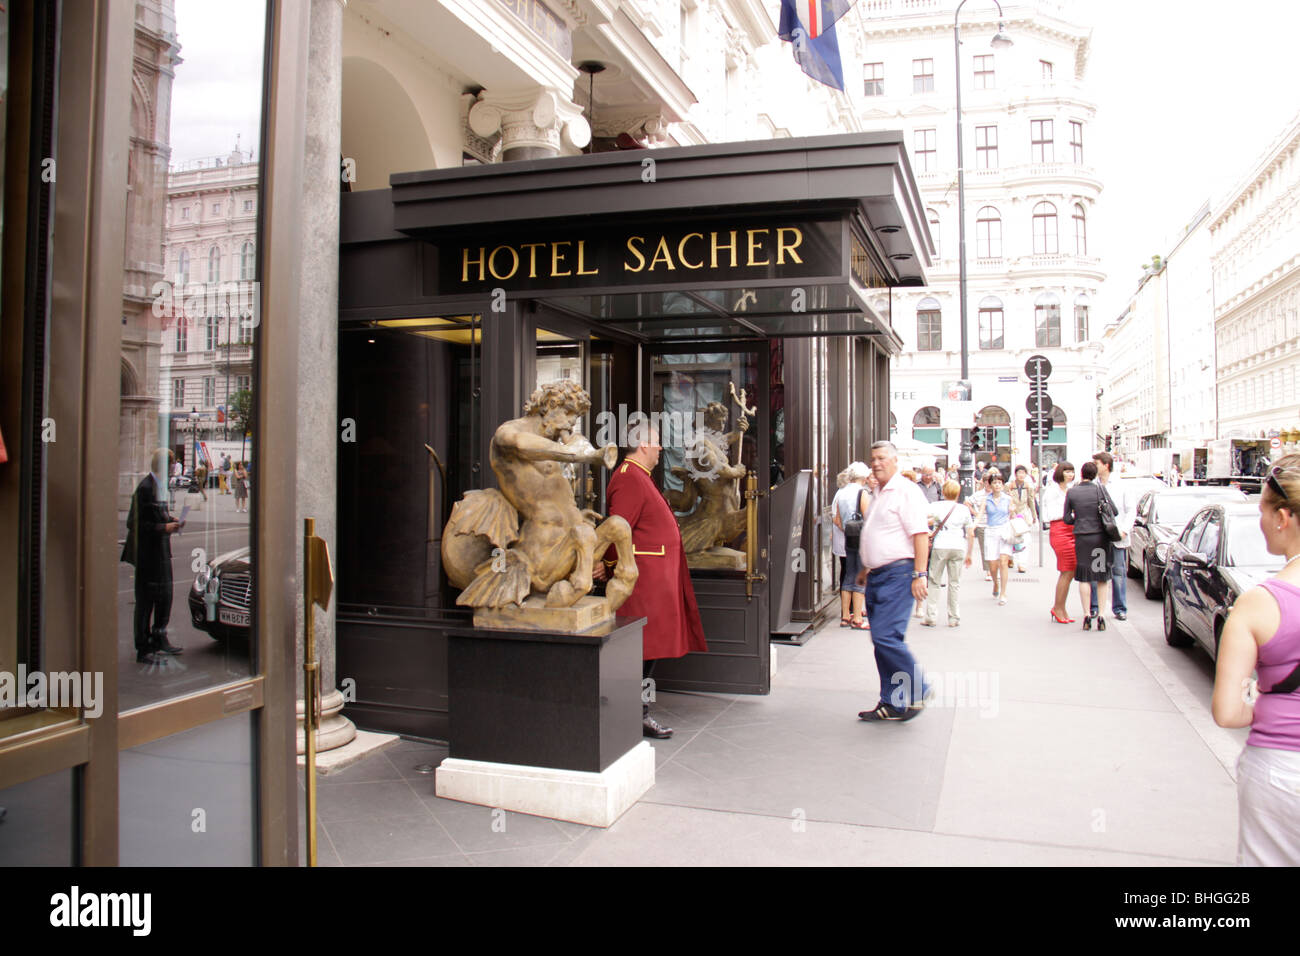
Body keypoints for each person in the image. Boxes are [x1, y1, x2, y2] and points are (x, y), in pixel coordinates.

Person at [1212, 454, 1300, 865]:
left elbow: (1228, 713)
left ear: (1283, 517)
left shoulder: (1259, 604)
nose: (1260, 518)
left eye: (1262, 508)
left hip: (1281, 771)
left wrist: (1264, 706)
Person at [597, 420, 707, 739]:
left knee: (648, 651)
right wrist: (607, 562)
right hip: (643, 583)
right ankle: (638, 714)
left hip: (653, 581)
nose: (660, 448)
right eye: (657, 443)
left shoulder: (638, 477)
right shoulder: (630, 478)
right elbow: (619, 528)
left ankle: (639, 711)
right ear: (644, 444)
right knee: (642, 651)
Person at [855, 441, 931, 722]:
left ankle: (918, 688)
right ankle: (893, 702)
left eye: (882, 458)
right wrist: (866, 568)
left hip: (898, 574)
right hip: (879, 575)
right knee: (882, 641)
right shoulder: (878, 492)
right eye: (873, 458)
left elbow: (919, 534)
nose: (876, 462)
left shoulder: (905, 491)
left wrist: (919, 574)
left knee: (886, 637)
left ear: (895, 461)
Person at [121, 448, 186, 663]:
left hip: (160, 552)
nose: (172, 469)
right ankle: (144, 647)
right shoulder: (145, 488)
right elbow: (134, 523)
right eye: (170, 465)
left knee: (164, 597)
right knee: (146, 602)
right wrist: (164, 527)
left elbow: (157, 514)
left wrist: (172, 520)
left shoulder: (159, 487)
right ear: (162, 466)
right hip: (148, 555)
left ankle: (159, 638)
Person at [1062, 460, 1115, 630]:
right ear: (1094, 475)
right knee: (1101, 577)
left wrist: (1080, 519)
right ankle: (1101, 615)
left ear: (1081, 474)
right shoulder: (1100, 490)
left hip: (1082, 538)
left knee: (1084, 576)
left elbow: (1067, 518)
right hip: (1099, 538)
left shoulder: (1072, 492)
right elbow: (1113, 511)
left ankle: (1086, 614)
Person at [922, 479, 975, 628]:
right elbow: (970, 532)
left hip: (941, 545)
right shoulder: (963, 509)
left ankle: (931, 616)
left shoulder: (936, 506)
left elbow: (920, 518)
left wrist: (930, 529)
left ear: (943, 492)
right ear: (958, 493)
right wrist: (969, 553)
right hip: (958, 545)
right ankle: (954, 617)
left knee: (934, 581)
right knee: (954, 583)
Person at [1089, 451, 1133, 621]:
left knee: (1118, 573)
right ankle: (1094, 607)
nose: (1094, 467)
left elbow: (1131, 510)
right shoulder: (1093, 484)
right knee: (1096, 572)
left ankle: (1120, 608)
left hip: (1116, 535)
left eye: (1097, 463)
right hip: (1098, 536)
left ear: (1106, 465)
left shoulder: (1122, 485)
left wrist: (1124, 530)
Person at [832, 462, 871, 630]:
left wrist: (847, 529)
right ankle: (857, 618)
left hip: (848, 537)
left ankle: (845, 616)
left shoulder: (842, 492)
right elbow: (869, 518)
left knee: (848, 575)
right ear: (863, 477)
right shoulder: (862, 493)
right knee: (860, 575)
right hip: (861, 538)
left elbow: (838, 519)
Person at [1041, 461, 1078, 624]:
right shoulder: (1052, 490)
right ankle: (1058, 607)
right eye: (1067, 471)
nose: (1070, 474)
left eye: (1072, 472)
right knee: (1066, 569)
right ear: (1060, 473)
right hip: (1060, 529)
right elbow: (1049, 513)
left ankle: (1061, 607)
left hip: (1072, 529)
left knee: (1069, 571)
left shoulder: (1071, 490)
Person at [978, 469, 1014, 606]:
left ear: (1003, 484)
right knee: (993, 566)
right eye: (995, 483)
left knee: (1003, 562)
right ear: (990, 485)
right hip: (991, 532)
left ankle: (1003, 593)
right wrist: (974, 525)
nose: (997, 485)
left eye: (999, 482)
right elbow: (981, 514)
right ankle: (995, 583)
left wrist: (1013, 511)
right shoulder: (986, 500)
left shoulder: (1008, 499)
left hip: (1004, 531)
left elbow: (1013, 515)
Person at [1008, 464, 1038, 574]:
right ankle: (1010, 557)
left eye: (1023, 473)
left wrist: (1034, 516)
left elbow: (1031, 501)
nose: (1021, 475)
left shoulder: (1029, 487)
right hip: (1012, 514)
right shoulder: (1009, 486)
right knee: (1011, 539)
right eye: (1019, 473)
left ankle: (1022, 564)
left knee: (1025, 539)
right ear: (1015, 474)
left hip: (1024, 515)